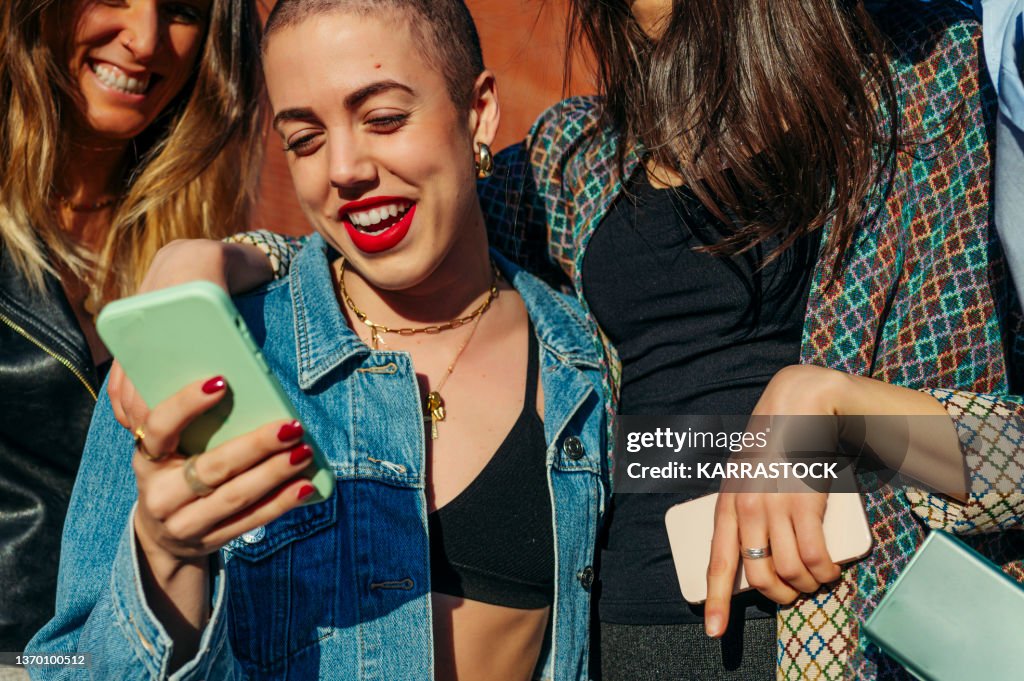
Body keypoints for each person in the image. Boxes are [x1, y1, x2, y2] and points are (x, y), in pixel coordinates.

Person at [28, 1, 608, 680]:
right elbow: (62, 666)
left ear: (477, 112)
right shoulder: (204, 357)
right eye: (304, 139)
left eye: (384, 118)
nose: (344, 169)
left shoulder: (585, 362)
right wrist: (165, 558)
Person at [0, 0, 264, 668]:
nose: (145, 41)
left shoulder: (203, 245)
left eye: (179, 10)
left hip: (134, 655)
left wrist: (257, 258)